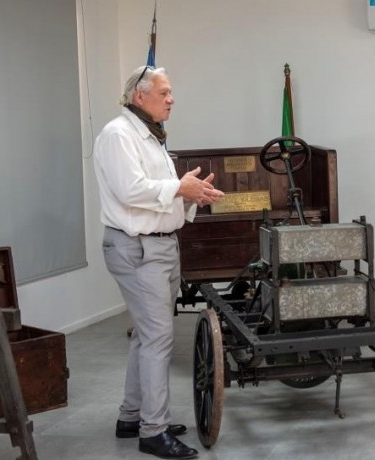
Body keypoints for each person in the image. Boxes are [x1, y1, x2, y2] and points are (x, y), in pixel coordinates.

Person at [94, 65, 224, 459]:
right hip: (138, 249)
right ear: (140, 96)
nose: (171, 99)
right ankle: (153, 431)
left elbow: (159, 195)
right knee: (157, 338)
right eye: (165, 92)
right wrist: (177, 186)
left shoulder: (150, 136)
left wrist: (189, 194)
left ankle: (131, 416)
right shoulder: (118, 135)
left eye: (170, 93)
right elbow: (131, 191)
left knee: (149, 336)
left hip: (160, 247)